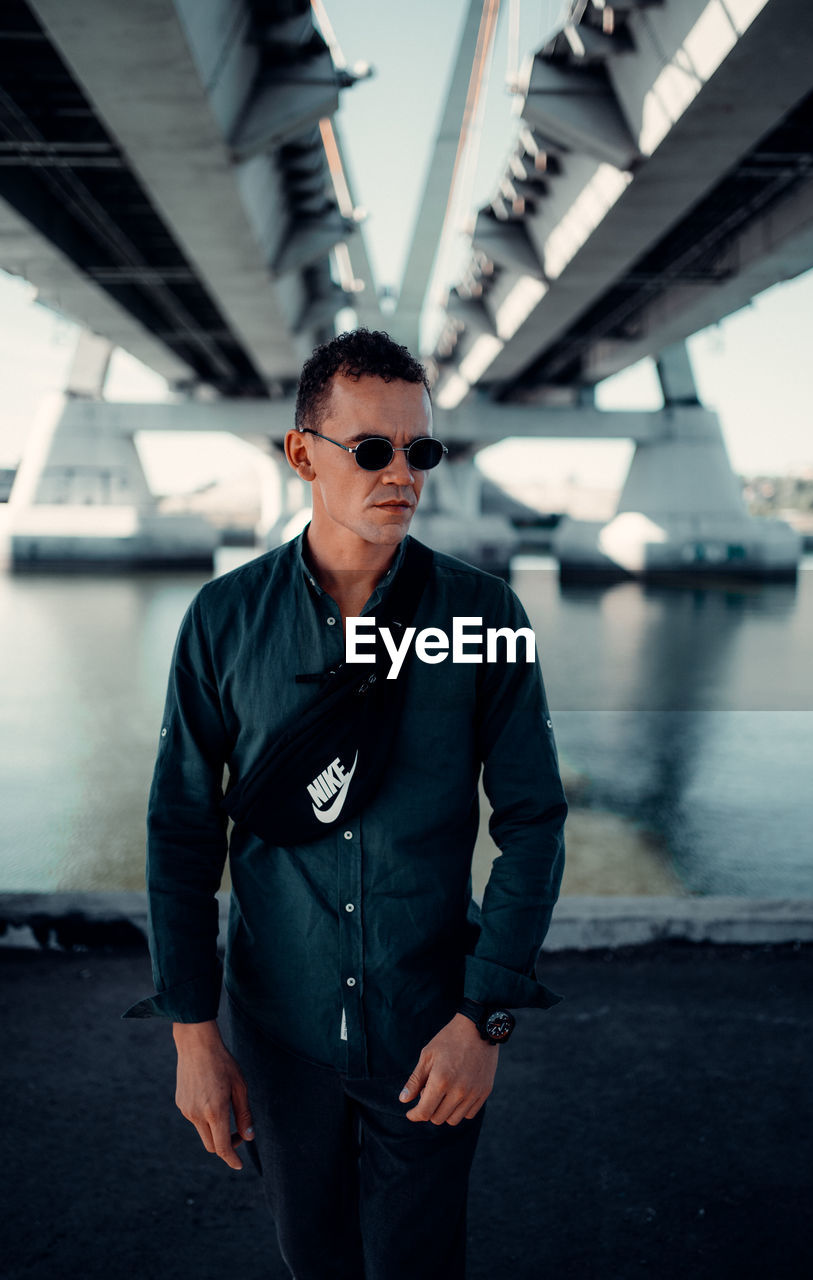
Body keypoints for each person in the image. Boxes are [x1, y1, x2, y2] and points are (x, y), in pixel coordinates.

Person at [124, 328, 567, 1279]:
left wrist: (485, 1019)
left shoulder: (485, 618)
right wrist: (193, 1035)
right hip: (279, 1031)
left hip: (430, 1031)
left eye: (420, 450)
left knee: (419, 1266)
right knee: (313, 1260)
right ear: (301, 456)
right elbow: (182, 834)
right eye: (371, 449)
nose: (400, 473)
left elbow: (532, 823)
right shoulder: (222, 621)